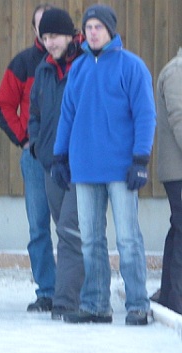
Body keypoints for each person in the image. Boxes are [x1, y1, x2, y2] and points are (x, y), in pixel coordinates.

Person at [52, 4, 156, 325]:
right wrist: (60, 157)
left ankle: (138, 304)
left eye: (99, 27)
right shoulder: (79, 69)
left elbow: (145, 115)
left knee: (127, 239)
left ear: (110, 30)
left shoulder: (132, 66)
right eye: (89, 27)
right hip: (84, 168)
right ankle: (96, 304)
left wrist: (140, 159)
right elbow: (67, 115)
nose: (93, 32)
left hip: (122, 169)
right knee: (91, 240)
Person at [0, 3, 56, 313]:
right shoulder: (23, 63)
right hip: (35, 158)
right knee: (39, 227)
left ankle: (76, 290)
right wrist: (25, 139)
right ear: (34, 30)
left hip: (72, 156)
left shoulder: (77, 61)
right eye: (40, 26)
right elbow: (3, 105)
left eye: (52, 26)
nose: (47, 33)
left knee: (75, 226)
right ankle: (47, 291)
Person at [28, 8, 85, 320]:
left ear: (69, 35)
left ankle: (67, 300)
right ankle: (77, 294)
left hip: (83, 163)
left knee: (71, 229)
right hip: (51, 163)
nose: (50, 43)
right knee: (64, 229)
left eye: (55, 36)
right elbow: (34, 113)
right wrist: (36, 144)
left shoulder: (85, 64)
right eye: (46, 37)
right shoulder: (44, 69)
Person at [155, 47, 182, 315]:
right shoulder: (177, 71)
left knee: (178, 228)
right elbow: (180, 120)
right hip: (178, 170)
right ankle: (177, 300)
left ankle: (169, 294)